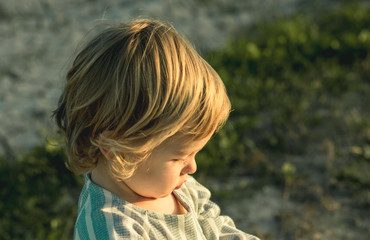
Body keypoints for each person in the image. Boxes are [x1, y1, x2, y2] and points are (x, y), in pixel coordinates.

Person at [53, 18, 259, 240]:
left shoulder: (176, 187)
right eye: (179, 157)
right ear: (119, 150)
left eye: (193, 154)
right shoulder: (114, 229)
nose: (192, 167)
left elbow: (215, 227)